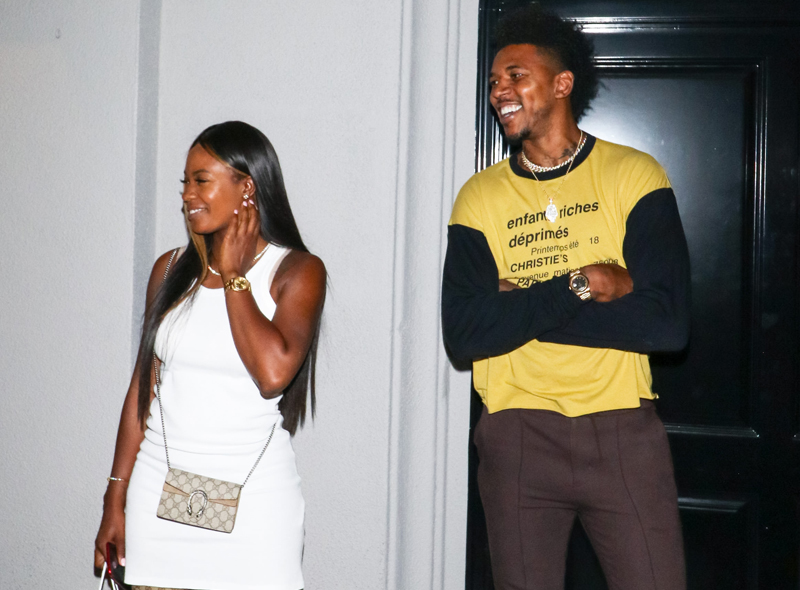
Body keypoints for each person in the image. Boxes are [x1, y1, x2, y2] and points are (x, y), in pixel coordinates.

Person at [442, 6, 690, 590]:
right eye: (495, 80)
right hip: (517, 434)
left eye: (516, 75)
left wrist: (515, 306)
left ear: (562, 83)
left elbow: (667, 323)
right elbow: (464, 334)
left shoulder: (635, 175)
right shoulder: (478, 198)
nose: (500, 89)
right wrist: (583, 285)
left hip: (623, 431)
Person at [94, 121, 326, 590]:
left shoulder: (297, 271)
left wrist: (235, 276)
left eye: (202, 180)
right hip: (158, 502)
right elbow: (144, 390)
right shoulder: (170, 269)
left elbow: (272, 373)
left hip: (254, 509)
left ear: (248, 187)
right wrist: (113, 499)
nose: (187, 195)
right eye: (185, 181)